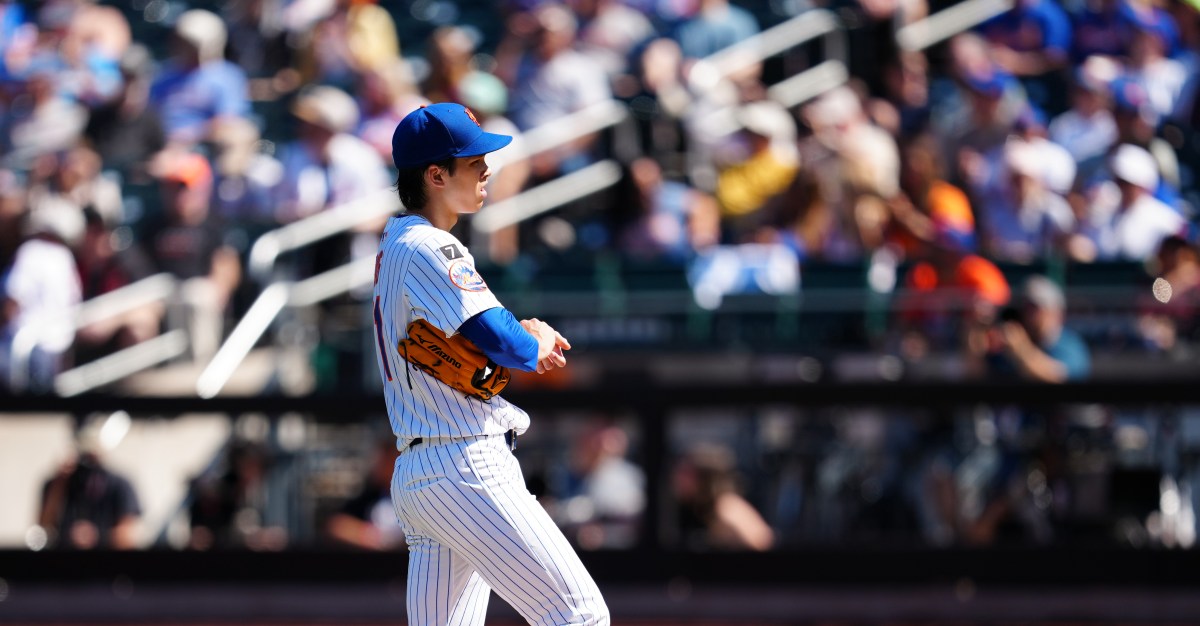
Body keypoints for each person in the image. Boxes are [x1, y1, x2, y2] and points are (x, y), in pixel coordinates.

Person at [374, 102, 609, 625]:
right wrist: (535, 338)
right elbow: (507, 345)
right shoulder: (430, 245)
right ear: (436, 175)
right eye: (473, 161)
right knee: (580, 616)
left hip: (421, 469)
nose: (486, 168)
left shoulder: (394, 244)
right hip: (464, 462)